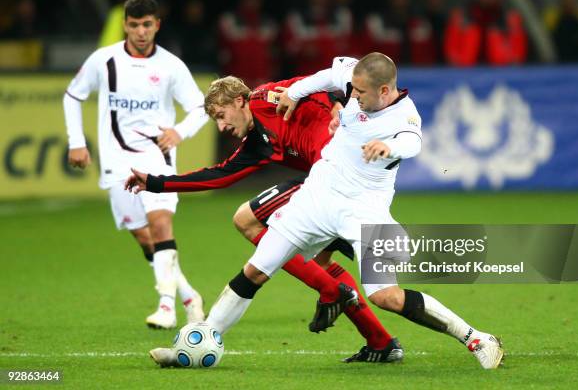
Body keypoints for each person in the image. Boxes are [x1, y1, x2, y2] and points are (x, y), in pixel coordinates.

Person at [141, 53, 505, 369]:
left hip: (362, 209)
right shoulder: (346, 90)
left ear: (383, 91)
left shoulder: (405, 117)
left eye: (359, 93)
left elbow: (413, 142)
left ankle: (477, 339)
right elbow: (331, 77)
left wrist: (387, 146)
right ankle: (199, 342)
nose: (351, 98)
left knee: (386, 296)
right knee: (255, 270)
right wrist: (298, 93)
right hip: (314, 199)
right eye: (352, 91)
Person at [126, 74, 402, 363]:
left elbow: (325, 80)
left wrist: (335, 102)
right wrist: (157, 183)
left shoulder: (270, 96)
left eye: (222, 116)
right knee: (319, 261)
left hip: (342, 180)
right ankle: (380, 342)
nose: (221, 126)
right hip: (328, 190)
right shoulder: (255, 143)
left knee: (247, 219)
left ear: (239, 100)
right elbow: (219, 176)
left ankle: (332, 291)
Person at [62, 0, 207, 330]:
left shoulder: (171, 65)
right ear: (125, 25)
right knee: (146, 240)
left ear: (157, 25)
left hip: (157, 158)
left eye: (146, 25)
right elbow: (73, 95)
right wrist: (77, 142)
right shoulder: (104, 61)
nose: (140, 32)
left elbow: (200, 106)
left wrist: (180, 132)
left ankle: (166, 307)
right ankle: (190, 298)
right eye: (133, 25)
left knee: (160, 226)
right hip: (116, 162)